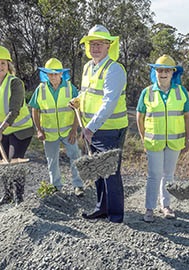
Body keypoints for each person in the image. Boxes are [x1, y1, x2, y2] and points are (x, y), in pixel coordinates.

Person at [69, 24, 128, 223]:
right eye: (92, 43)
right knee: (98, 170)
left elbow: (109, 102)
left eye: (100, 44)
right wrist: (78, 99)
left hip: (110, 129)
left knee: (110, 172)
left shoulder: (114, 69)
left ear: (109, 46)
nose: (95, 47)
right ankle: (101, 208)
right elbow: (88, 92)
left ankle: (115, 216)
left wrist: (90, 128)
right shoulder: (88, 67)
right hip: (92, 128)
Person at [136, 55, 189, 223]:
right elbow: (139, 117)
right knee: (154, 175)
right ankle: (149, 208)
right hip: (154, 142)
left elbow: (188, 117)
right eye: (160, 70)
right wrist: (143, 137)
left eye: (167, 70)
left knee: (169, 175)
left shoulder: (181, 92)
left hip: (174, 142)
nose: (163, 73)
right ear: (155, 72)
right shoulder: (147, 92)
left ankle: (166, 206)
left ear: (173, 73)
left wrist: (187, 141)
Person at [0, 45, 34, 206]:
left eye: (3, 63)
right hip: (2, 130)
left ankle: (19, 198)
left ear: (9, 65)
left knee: (14, 162)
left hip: (20, 129)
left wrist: (0, 129)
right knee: (3, 162)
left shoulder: (15, 83)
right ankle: (7, 195)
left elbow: (14, 111)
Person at [29, 58, 85, 197]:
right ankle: (56, 187)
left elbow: (77, 109)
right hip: (49, 134)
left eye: (56, 73)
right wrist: (39, 130)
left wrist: (74, 130)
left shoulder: (70, 88)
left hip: (68, 132)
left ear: (61, 74)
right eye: (50, 73)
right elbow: (35, 109)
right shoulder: (40, 90)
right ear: (46, 75)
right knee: (52, 160)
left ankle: (78, 186)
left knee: (75, 157)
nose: (53, 76)